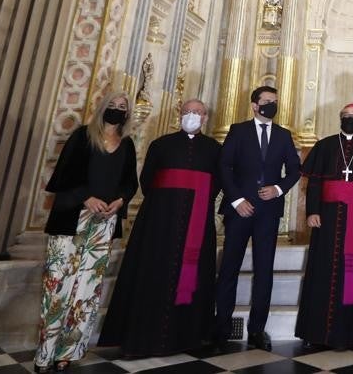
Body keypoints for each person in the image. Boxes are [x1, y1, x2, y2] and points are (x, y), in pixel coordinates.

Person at [99, 99, 221, 357]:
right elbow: (147, 180)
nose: (192, 115)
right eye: (188, 111)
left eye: (197, 112)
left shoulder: (214, 149)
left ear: (205, 118)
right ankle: (142, 335)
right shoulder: (161, 144)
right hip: (159, 222)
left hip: (196, 223)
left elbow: (217, 184)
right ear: (179, 114)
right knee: (153, 269)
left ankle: (187, 337)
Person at [35, 92, 137, 373]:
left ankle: (68, 352)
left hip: (103, 223)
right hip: (73, 218)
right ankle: (45, 352)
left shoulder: (127, 145)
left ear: (127, 114)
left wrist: (120, 200)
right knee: (57, 286)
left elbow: (130, 182)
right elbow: (63, 175)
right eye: (113, 106)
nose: (117, 110)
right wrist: (86, 197)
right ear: (102, 108)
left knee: (87, 290)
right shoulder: (82, 136)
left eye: (122, 108)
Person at [295, 104, 353, 351]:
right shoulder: (325, 145)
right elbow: (314, 182)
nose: (349, 119)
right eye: (345, 116)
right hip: (326, 216)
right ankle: (316, 331)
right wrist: (312, 211)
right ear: (340, 118)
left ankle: (352, 333)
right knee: (321, 269)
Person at [215, 86, 301, 351]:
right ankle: (220, 328)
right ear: (254, 105)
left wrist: (278, 189)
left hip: (268, 212)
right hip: (240, 209)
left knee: (264, 271)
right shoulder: (238, 130)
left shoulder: (283, 135)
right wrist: (237, 200)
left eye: (274, 102)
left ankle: (257, 329)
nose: (271, 106)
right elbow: (224, 166)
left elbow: (295, 170)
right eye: (266, 102)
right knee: (229, 268)